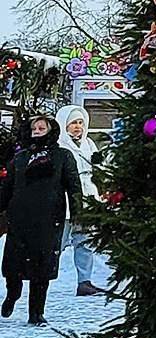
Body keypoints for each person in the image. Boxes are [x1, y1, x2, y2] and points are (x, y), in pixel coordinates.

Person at [1, 114, 80, 326]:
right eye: (34, 128)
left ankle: (36, 312)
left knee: (41, 268)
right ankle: (12, 295)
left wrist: (78, 212)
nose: (37, 130)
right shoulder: (19, 158)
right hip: (20, 219)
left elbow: (73, 186)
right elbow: (6, 188)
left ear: (50, 130)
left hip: (48, 220)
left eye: (41, 127)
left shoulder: (63, 156)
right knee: (14, 265)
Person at [52, 103, 100, 296]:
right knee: (58, 242)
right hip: (65, 204)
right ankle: (44, 277)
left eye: (80, 122)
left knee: (85, 242)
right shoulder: (58, 146)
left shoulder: (89, 144)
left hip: (87, 202)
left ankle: (84, 281)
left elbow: (98, 169)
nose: (77, 127)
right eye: (73, 123)